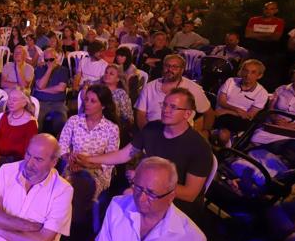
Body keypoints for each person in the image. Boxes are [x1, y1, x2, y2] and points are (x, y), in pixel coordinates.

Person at [78, 88, 213, 220]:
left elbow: (190, 193)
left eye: (173, 107)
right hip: (148, 192)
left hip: (177, 206)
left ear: (187, 114)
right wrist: (89, 159)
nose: (165, 110)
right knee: (119, 202)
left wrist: (145, 182)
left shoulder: (199, 148)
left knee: (124, 201)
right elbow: (124, 154)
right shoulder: (152, 128)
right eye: (164, 104)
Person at [93, 157, 210, 241]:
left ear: (171, 196)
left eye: (151, 193)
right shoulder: (117, 206)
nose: (141, 198)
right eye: (137, 188)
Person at [59, 85, 120, 219]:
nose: (87, 103)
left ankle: (79, 225)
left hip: (97, 171)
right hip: (72, 166)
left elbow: (111, 160)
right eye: (86, 100)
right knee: (65, 187)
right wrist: (70, 159)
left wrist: (87, 165)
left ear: (103, 105)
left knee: (81, 188)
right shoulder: (74, 121)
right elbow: (62, 147)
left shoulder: (111, 128)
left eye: (93, 101)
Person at [134, 54, 213, 137]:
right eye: (167, 66)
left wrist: (205, 132)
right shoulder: (149, 87)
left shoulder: (193, 89)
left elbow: (209, 113)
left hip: (181, 137)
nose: (170, 69)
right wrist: (148, 136)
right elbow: (140, 115)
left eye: (175, 67)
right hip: (152, 134)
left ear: (182, 70)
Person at [214, 59, 269, 146]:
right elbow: (221, 101)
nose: (247, 75)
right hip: (222, 113)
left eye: (253, 72)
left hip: (238, 119)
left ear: (259, 76)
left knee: (223, 134)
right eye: (245, 71)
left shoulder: (262, 93)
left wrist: (227, 111)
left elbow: (249, 115)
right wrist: (237, 109)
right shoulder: (231, 81)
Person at [32, 47, 69, 128]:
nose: (49, 62)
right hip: (41, 102)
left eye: (51, 59)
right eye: (46, 60)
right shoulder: (40, 68)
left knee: (62, 121)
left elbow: (61, 88)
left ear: (56, 58)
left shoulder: (63, 70)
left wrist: (42, 90)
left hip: (57, 103)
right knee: (36, 122)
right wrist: (49, 69)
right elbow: (41, 85)